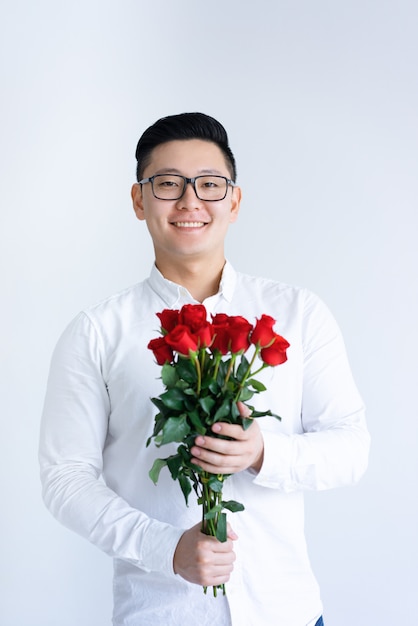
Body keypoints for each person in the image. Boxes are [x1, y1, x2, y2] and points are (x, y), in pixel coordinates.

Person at [39, 112, 370, 626]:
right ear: (138, 200)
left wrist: (265, 453)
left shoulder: (299, 313)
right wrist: (164, 547)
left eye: (209, 185)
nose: (190, 201)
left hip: (288, 612)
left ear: (233, 201)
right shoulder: (96, 332)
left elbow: (352, 448)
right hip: (160, 613)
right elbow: (66, 478)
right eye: (168, 184)